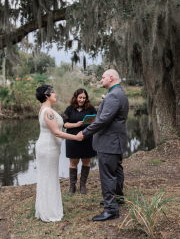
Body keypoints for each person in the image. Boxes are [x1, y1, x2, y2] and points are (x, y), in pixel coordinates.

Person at [82, 69, 129, 222]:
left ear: (110, 78)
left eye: (102, 78)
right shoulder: (119, 93)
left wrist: (84, 133)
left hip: (109, 142)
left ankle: (111, 209)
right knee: (116, 170)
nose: (100, 80)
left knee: (107, 174)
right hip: (115, 140)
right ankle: (117, 199)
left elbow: (103, 121)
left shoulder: (113, 95)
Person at [35, 85, 84, 222]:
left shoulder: (46, 110)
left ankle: (45, 209)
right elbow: (56, 132)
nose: (55, 94)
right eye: (52, 92)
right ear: (46, 95)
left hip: (49, 147)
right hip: (47, 148)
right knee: (49, 178)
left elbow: (53, 133)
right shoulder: (48, 112)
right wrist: (76, 137)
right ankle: (48, 212)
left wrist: (57, 145)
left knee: (47, 177)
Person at [63, 88, 97, 195]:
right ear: (76, 98)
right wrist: (76, 125)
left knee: (86, 161)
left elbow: (97, 121)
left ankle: (83, 185)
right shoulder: (69, 109)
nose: (82, 100)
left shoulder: (90, 108)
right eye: (80, 98)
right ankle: (72, 187)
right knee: (73, 163)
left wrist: (92, 123)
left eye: (84, 98)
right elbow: (64, 124)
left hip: (87, 138)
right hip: (72, 138)